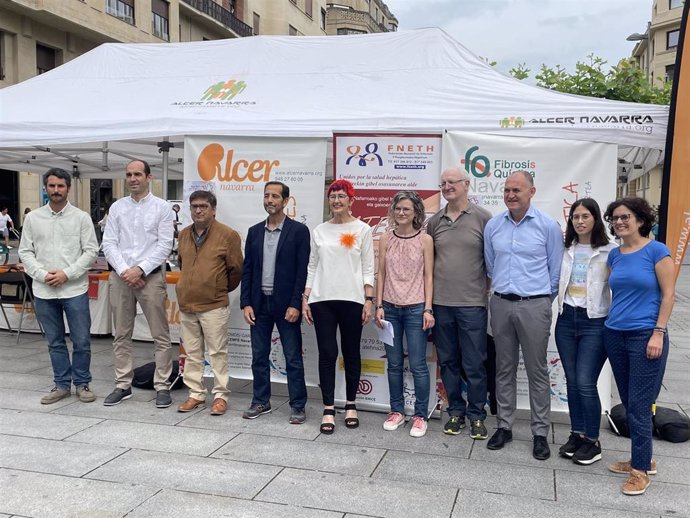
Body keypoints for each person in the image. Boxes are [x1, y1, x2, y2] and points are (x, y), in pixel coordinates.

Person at [484, 170, 563, 460]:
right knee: (503, 368)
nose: (510, 195)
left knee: (536, 370)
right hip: (501, 303)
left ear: (532, 191)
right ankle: (504, 426)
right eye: (506, 190)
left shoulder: (548, 226)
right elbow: (491, 267)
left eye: (516, 190)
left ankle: (540, 432)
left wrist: (542, 301)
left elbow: (556, 272)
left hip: (535, 305)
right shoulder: (494, 226)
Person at [603, 197, 674, 496]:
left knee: (640, 405)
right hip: (614, 334)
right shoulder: (615, 255)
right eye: (615, 218)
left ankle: (640, 472)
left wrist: (658, 332)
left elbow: (669, 295)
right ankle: (642, 458)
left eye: (625, 217)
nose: (619, 222)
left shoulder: (657, 251)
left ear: (641, 220)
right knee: (631, 402)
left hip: (646, 335)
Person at [18, 168, 99, 404]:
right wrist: (43, 275)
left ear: (68, 188)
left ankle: (82, 384)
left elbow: (91, 251)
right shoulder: (33, 218)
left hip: (74, 289)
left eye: (60, 186)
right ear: (46, 188)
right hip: (44, 290)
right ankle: (61, 384)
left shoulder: (81, 217)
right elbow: (25, 251)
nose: (56, 190)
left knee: (81, 340)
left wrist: (67, 274)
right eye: (52, 186)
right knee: (54, 341)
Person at [303, 179, 375, 434]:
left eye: (341, 196)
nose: (336, 201)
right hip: (322, 300)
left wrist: (368, 300)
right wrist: (306, 297)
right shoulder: (319, 230)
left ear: (351, 200)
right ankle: (328, 408)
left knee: (351, 352)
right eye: (332, 196)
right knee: (327, 353)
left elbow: (368, 268)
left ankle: (352, 405)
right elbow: (312, 266)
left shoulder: (363, 229)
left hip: (353, 300)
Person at [102, 159, 174, 408]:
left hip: (150, 277)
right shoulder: (117, 207)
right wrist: (125, 271)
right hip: (121, 278)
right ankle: (123, 384)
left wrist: (140, 269)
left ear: (149, 177)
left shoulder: (162, 208)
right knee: (121, 334)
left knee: (160, 335)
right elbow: (108, 243)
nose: (133, 179)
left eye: (137, 174)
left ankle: (162, 385)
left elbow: (165, 244)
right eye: (129, 174)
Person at [426, 168, 492, 440]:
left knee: (475, 362)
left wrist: (482, 293)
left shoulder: (484, 219)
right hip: (441, 304)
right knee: (449, 361)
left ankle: (477, 415)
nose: (447, 187)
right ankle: (456, 411)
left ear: (466, 185)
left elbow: (491, 263)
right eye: (442, 183)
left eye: (452, 182)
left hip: (472, 304)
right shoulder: (434, 221)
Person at [241, 181, 310, 424]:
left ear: (285, 200)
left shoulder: (299, 232)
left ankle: (298, 405)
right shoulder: (254, 231)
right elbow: (247, 269)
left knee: (292, 357)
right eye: (266, 195)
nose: (270, 200)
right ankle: (260, 401)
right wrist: (245, 302)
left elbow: (302, 271)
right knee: (259, 355)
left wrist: (295, 303)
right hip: (258, 305)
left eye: (275, 196)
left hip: (286, 306)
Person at [555, 198, 616, 465]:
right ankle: (577, 434)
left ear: (595, 219)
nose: (579, 221)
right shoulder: (565, 248)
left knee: (585, 382)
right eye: (575, 217)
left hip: (595, 321)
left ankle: (593, 440)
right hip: (567, 318)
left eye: (585, 216)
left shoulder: (609, 251)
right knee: (571, 381)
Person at [175, 191, 243, 416]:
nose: (198, 210)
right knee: (193, 353)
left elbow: (236, 270)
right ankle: (195, 394)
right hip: (187, 304)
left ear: (213, 209)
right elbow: (182, 263)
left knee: (217, 353)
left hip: (214, 304)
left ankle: (220, 396)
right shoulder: (184, 234)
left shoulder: (228, 235)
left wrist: (217, 289)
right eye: (194, 206)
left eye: (203, 206)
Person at [375, 191, 434, 438]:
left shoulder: (425, 240)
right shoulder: (386, 238)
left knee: (419, 364)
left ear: (416, 213)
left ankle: (420, 415)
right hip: (389, 308)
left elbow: (429, 276)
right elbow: (381, 274)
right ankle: (396, 411)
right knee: (395, 364)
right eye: (398, 209)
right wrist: (378, 305)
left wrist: (428, 308)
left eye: (406, 209)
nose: (401, 213)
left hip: (416, 308)